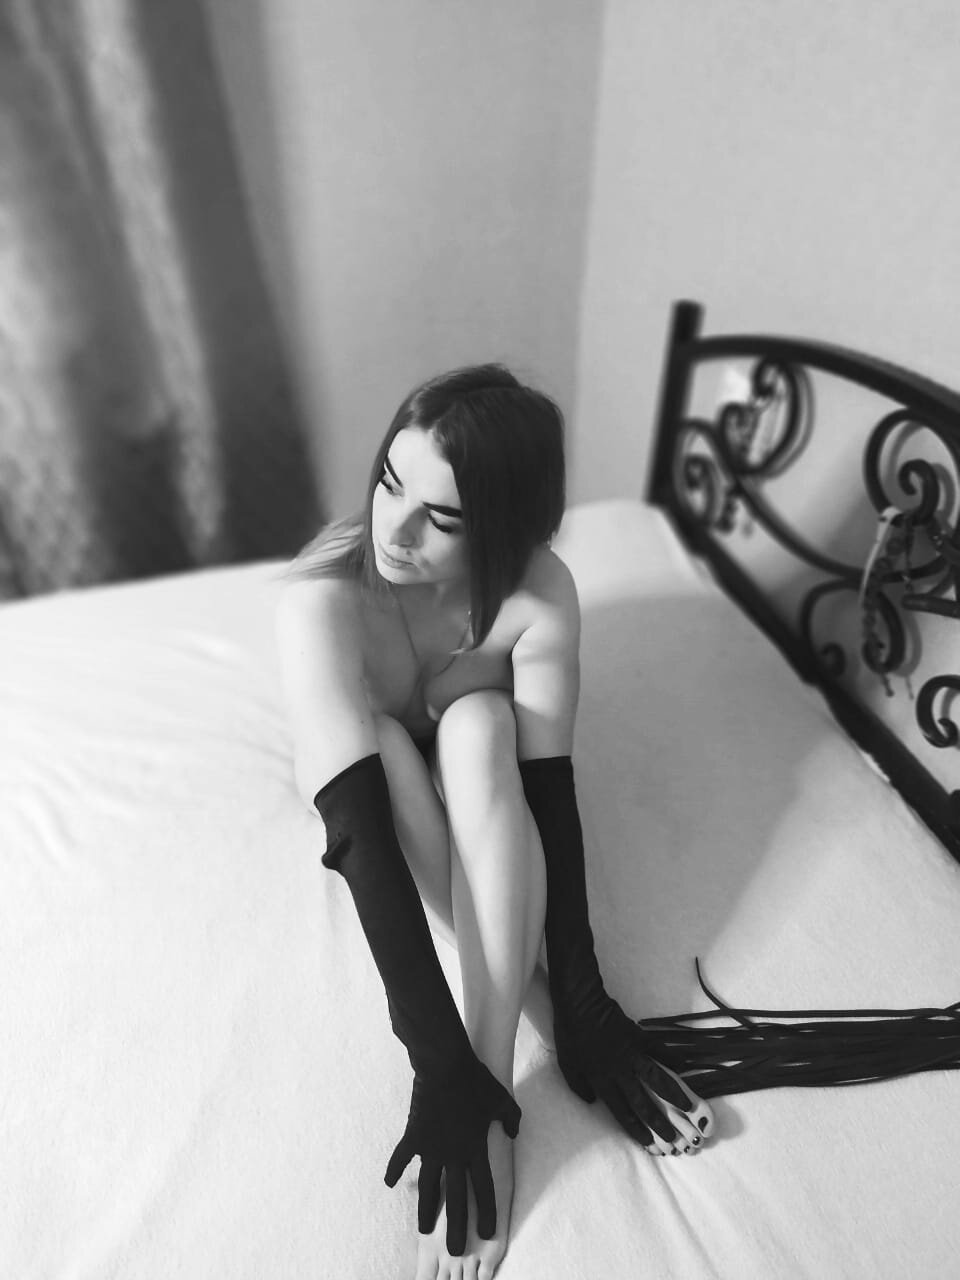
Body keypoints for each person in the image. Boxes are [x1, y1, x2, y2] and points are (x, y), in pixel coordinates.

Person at [275, 365, 715, 1280]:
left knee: (482, 725)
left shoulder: (538, 592)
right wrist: (435, 1064)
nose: (393, 531)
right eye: (390, 483)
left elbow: (550, 794)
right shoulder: (323, 600)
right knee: (389, 745)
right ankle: (499, 1053)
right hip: (369, 763)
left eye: (440, 518)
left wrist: (583, 993)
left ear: (505, 526)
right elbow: (359, 839)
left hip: (475, 752)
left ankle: (496, 1071)